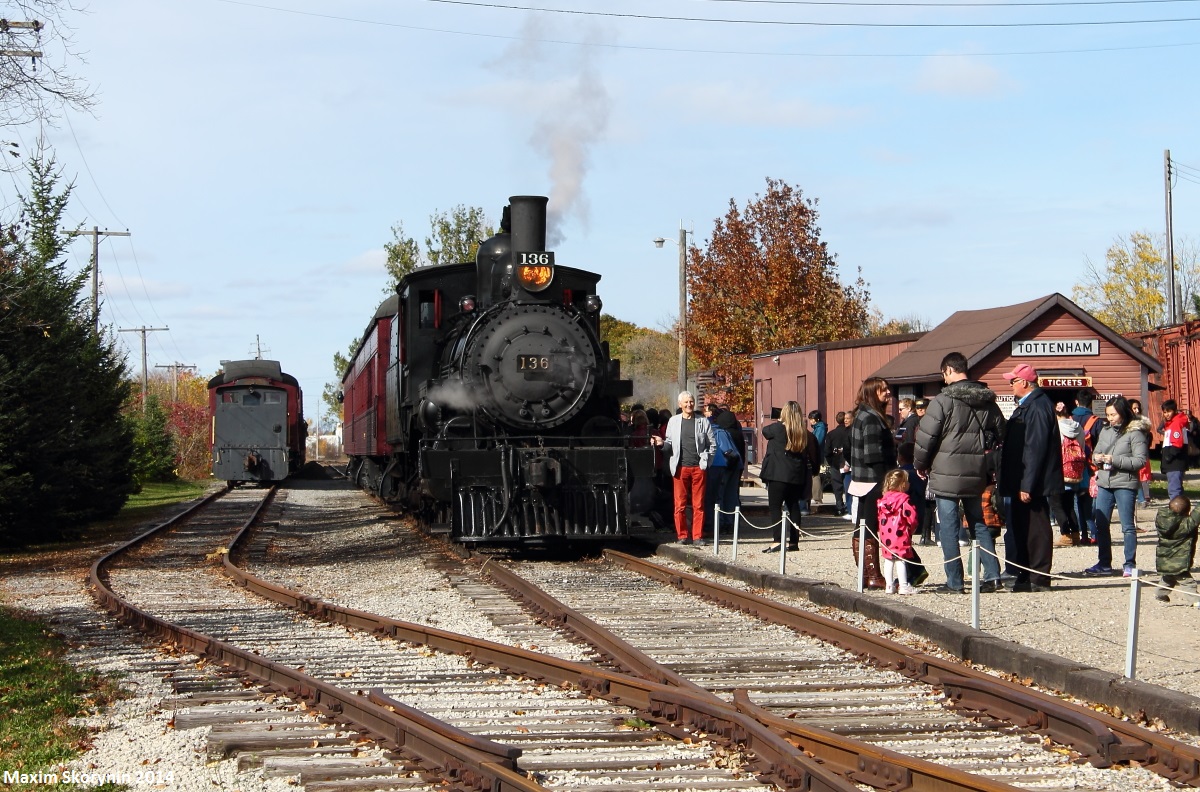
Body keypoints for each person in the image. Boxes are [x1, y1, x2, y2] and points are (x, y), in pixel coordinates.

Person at [912, 351, 1007, 594]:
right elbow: (1001, 432)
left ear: (948, 371)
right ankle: (993, 575)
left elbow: (926, 437)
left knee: (949, 527)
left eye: (944, 375)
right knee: (979, 524)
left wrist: (920, 464)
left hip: (946, 472)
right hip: (976, 471)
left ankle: (955, 582)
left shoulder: (943, 401)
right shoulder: (987, 400)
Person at [999, 363, 1063, 592]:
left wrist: (1027, 484)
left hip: (1032, 481)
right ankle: (1024, 573)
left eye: (1012, 381)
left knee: (1036, 529)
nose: (1010, 386)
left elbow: (1035, 448)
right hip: (1020, 478)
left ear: (1024, 382)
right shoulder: (1027, 406)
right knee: (1021, 527)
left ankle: (1038, 576)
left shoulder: (1037, 407)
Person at [1083, 396, 1149, 577]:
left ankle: (1129, 563)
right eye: (1108, 415)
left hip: (1125, 483)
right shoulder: (1105, 431)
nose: (1110, 418)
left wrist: (1115, 460)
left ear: (1122, 413)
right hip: (1105, 482)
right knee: (1101, 523)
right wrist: (1096, 458)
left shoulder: (1136, 434)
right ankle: (1104, 563)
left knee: (1127, 526)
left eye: (1113, 414)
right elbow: (1097, 450)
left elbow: (1140, 461)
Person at [651, 391, 717, 545]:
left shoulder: (703, 421)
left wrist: (707, 462)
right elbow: (669, 444)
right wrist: (661, 444)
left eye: (691, 402)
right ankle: (682, 535)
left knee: (698, 504)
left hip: (698, 467)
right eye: (686, 402)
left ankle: (697, 536)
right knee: (679, 504)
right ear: (680, 405)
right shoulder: (673, 422)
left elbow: (712, 444)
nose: (689, 405)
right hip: (680, 468)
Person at [849, 377, 894, 589]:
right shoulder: (871, 418)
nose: (888, 393)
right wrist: (885, 481)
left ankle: (866, 575)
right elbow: (873, 454)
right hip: (873, 479)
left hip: (864, 479)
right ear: (871, 392)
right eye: (882, 390)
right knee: (869, 526)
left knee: (863, 525)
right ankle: (873, 575)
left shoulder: (864, 415)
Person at [759, 401, 821, 553]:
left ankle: (777, 540)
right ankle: (794, 542)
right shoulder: (803, 433)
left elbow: (764, 431)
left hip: (777, 474)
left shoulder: (778, 429)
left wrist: (780, 421)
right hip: (796, 475)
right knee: (793, 507)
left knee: (775, 507)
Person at [877, 468, 919, 595]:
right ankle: (903, 585)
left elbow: (879, 517)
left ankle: (889, 585)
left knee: (888, 559)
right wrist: (912, 528)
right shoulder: (904, 500)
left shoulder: (883, 500)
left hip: (886, 535)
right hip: (900, 532)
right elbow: (911, 517)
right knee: (901, 559)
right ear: (902, 484)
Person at [1052, 416, 1091, 547]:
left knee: (1056, 504)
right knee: (1069, 505)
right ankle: (1075, 534)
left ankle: (1065, 535)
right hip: (1075, 471)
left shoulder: (1056, 426)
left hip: (1059, 471)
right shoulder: (1078, 427)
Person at [702, 404, 741, 536]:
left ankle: (719, 524)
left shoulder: (713, 432)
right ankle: (730, 523)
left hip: (720, 465)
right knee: (731, 496)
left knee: (718, 496)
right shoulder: (727, 432)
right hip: (735, 465)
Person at [1154, 495, 1200, 602]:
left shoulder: (1162, 520)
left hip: (1164, 560)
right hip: (1179, 562)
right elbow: (1198, 513)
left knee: (1168, 577)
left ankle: (1159, 594)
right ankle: (1195, 600)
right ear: (1187, 511)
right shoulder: (1187, 524)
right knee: (1187, 582)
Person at [713, 407, 747, 532]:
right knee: (732, 495)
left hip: (725, 466)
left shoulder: (722, 433)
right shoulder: (738, 433)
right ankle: (733, 521)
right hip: (737, 466)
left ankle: (722, 522)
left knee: (721, 495)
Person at [1161, 399, 1189, 501]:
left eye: (1169, 411)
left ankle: (1176, 512)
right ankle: (1181, 510)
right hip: (1175, 463)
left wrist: (1169, 456)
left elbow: (1177, 443)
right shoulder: (1172, 423)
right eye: (1165, 412)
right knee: (1177, 490)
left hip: (1174, 463)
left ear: (1174, 410)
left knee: (1174, 491)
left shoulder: (1176, 423)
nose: (1167, 414)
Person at [1128, 399, 1154, 508]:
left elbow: (1148, 438)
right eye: (1134, 408)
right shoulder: (1126, 423)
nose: (1137, 410)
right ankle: (1140, 498)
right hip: (1128, 453)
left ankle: (1142, 498)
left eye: (1138, 407)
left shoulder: (1143, 424)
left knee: (1139, 477)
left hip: (1140, 453)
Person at [824, 411, 850, 517]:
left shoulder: (831, 434)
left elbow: (827, 451)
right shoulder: (849, 432)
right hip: (848, 462)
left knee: (837, 487)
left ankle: (839, 506)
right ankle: (849, 507)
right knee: (848, 486)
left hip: (835, 462)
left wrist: (831, 461)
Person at [807, 410, 828, 514]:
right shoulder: (818, 428)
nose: (810, 421)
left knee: (815, 475)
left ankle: (817, 497)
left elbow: (817, 442)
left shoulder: (820, 428)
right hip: (816, 454)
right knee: (814, 475)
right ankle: (816, 496)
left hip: (816, 454)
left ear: (817, 419)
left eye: (811, 419)